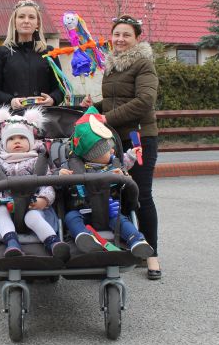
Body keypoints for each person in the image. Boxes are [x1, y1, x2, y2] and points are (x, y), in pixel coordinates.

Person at [82, 14, 161, 279]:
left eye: (126, 34)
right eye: (117, 34)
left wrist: (107, 117)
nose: (120, 39)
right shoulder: (112, 66)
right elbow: (114, 101)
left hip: (139, 138)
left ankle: (152, 255)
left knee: (141, 195)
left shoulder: (143, 64)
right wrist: (94, 107)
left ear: (137, 38)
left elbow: (144, 101)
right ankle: (129, 246)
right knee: (120, 195)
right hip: (115, 138)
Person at [58, 107, 154, 258]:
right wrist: (60, 175)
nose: (113, 152)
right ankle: (84, 236)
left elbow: (126, 162)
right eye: (108, 150)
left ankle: (137, 240)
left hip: (110, 209)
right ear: (93, 154)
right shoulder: (74, 167)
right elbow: (57, 179)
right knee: (70, 217)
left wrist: (130, 160)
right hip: (82, 209)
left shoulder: (114, 164)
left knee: (122, 220)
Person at [0, 106, 70, 261]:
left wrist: (44, 199)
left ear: (31, 141)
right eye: (11, 139)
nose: (17, 141)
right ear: (4, 143)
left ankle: (53, 242)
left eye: (22, 138)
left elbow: (47, 183)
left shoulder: (38, 161)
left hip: (33, 204)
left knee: (33, 217)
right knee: (0, 212)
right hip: (8, 205)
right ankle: (12, 243)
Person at [0, 0, 64, 108]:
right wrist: (10, 101)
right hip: (12, 115)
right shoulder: (2, 53)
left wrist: (53, 99)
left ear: (37, 23)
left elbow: (61, 88)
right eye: (21, 17)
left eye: (31, 17)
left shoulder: (49, 53)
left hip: (44, 114)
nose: (26, 21)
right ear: (14, 22)